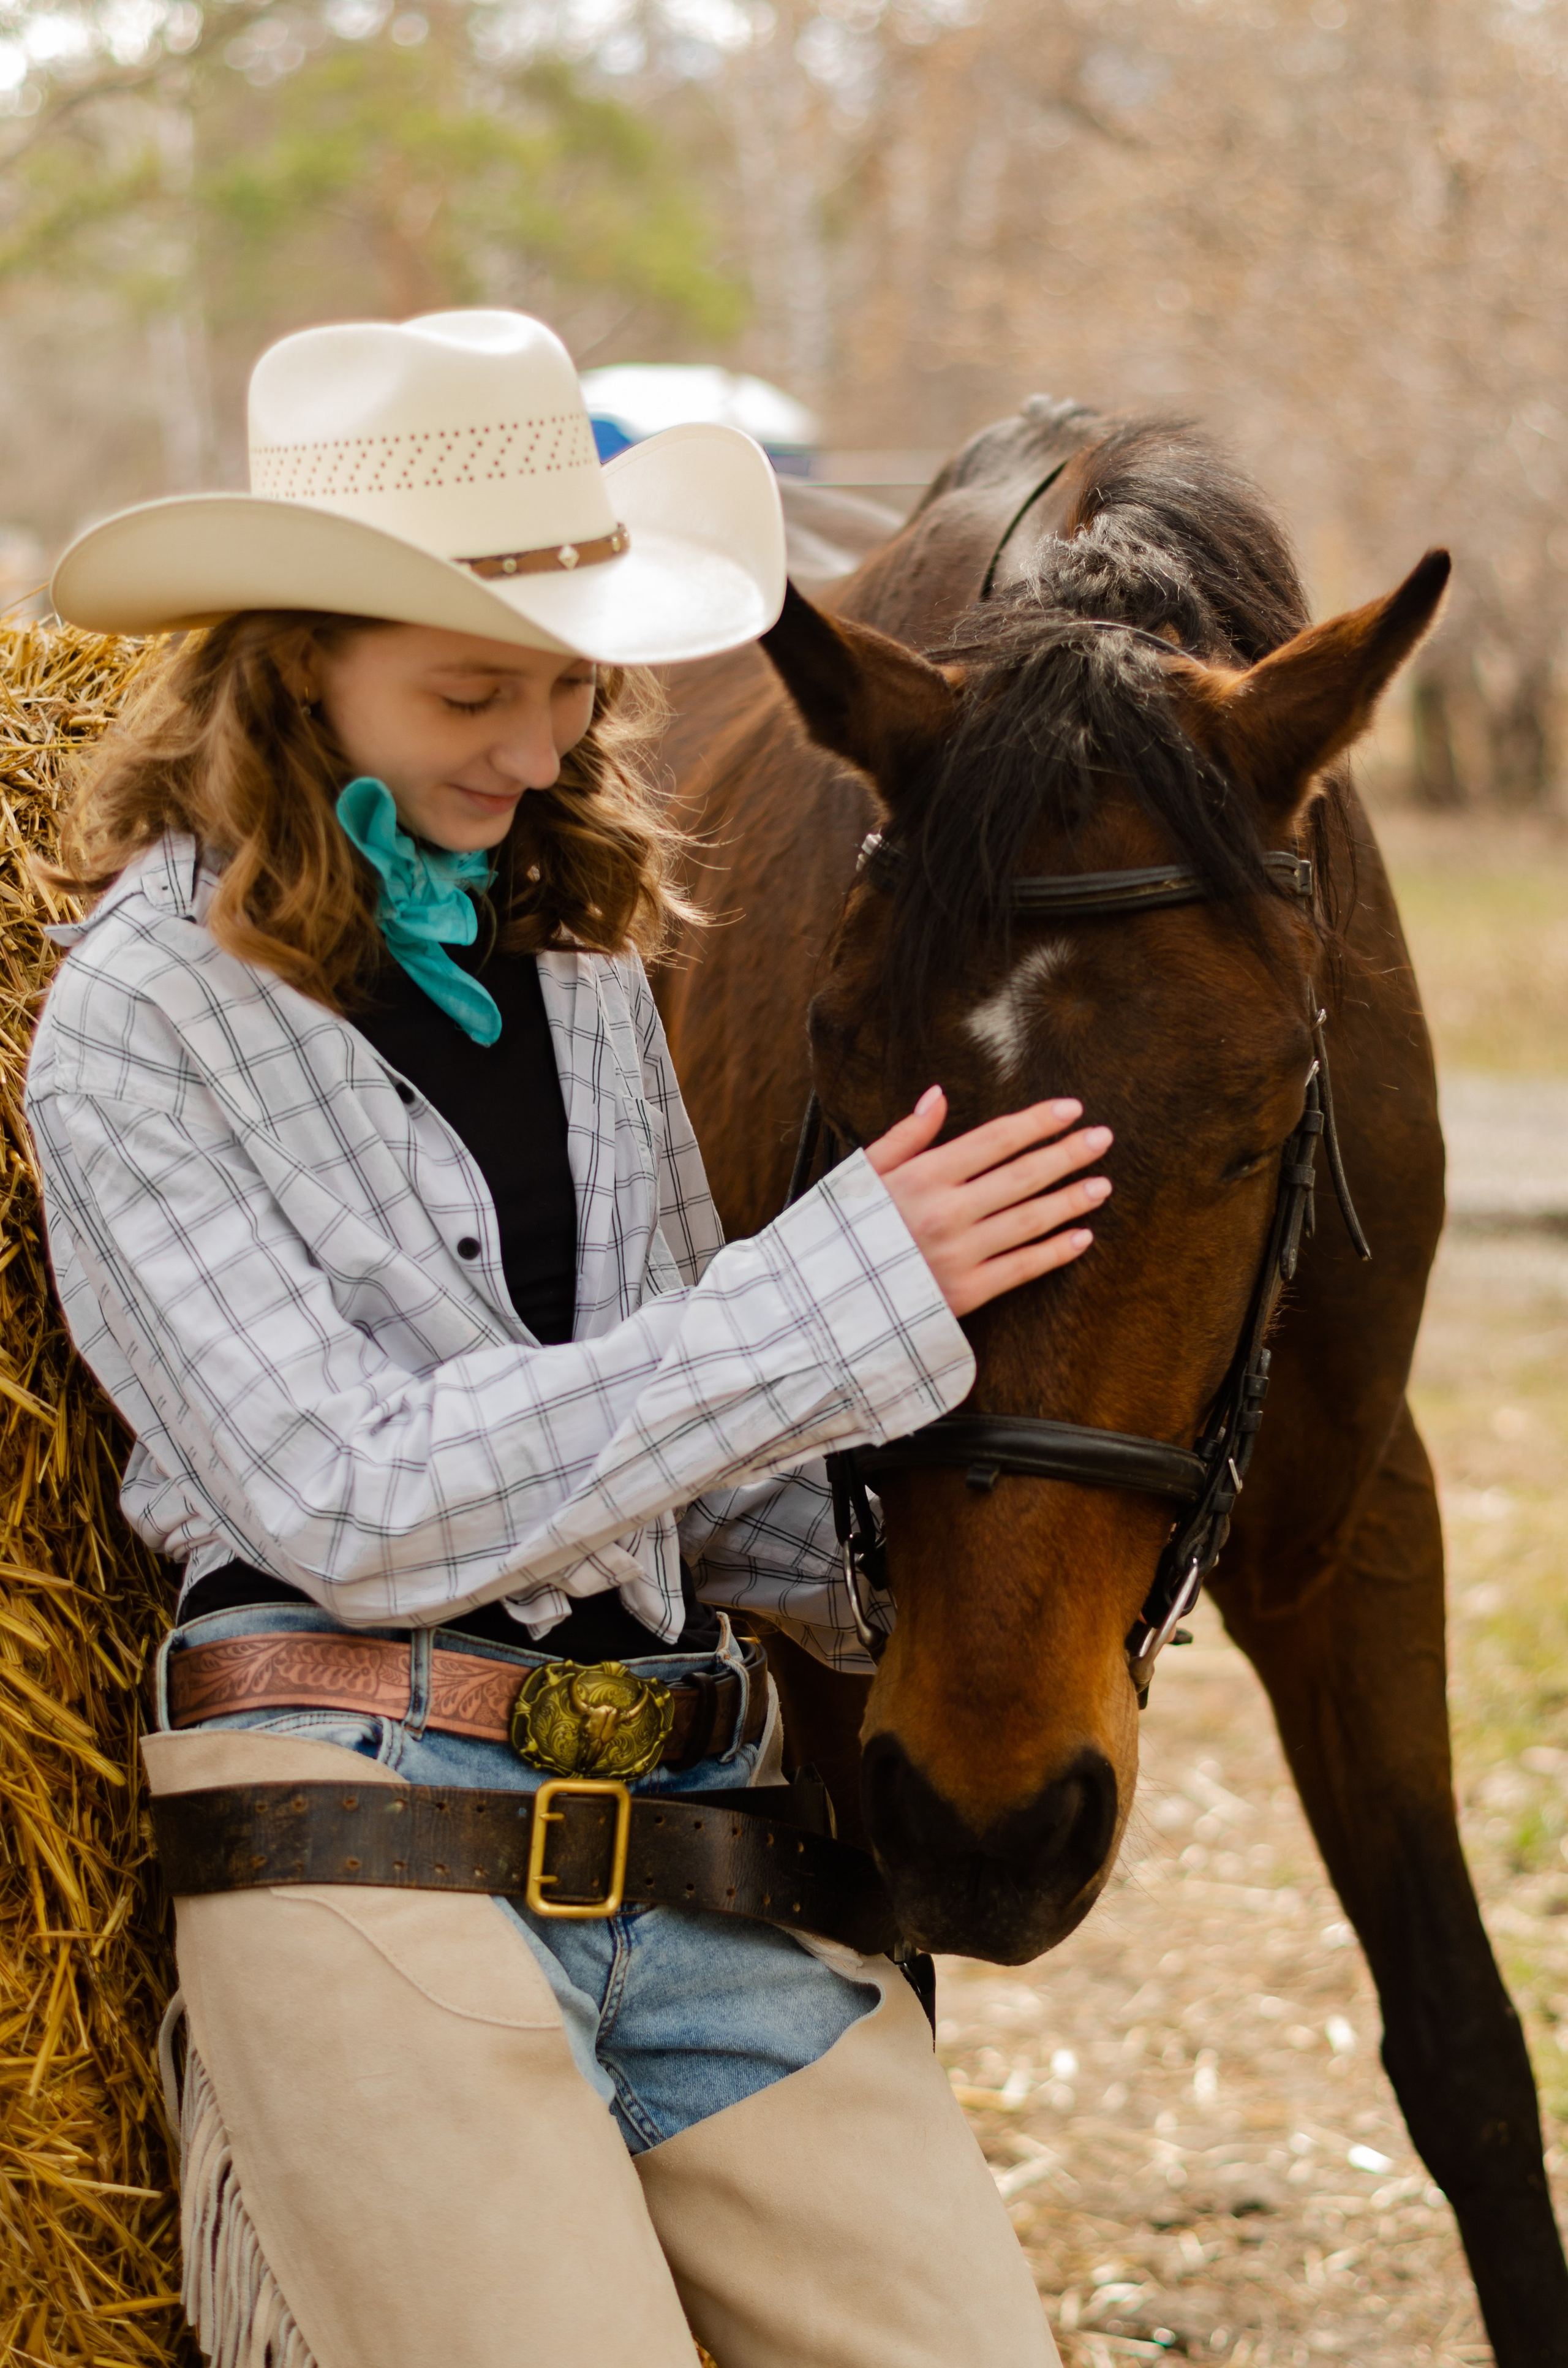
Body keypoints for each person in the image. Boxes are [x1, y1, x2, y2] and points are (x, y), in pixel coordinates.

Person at [27, 309, 1112, 2368]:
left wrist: (1005, 1577)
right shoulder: (133, 1026)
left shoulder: (581, 955)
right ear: (286, 658)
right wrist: (844, 1286)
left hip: (698, 1834)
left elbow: (712, 1469)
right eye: (467, 690)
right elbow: (349, 1498)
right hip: (363, 1825)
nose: (533, 752)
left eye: (568, 688)